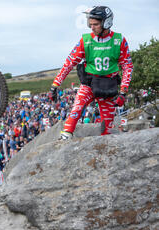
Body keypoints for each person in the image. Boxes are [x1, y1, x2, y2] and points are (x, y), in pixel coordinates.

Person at [50, 6, 133, 139]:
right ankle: (65, 136)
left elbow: (127, 66)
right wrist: (55, 84)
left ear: (106, 23)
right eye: (90, 24)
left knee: (108, 125)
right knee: (76, 109)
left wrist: (123, 91)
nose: (92, 27)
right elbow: (70, 62)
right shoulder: (86, 40)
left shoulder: (119, 40)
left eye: (96, 24)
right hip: (89, 83)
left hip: (108, 87)